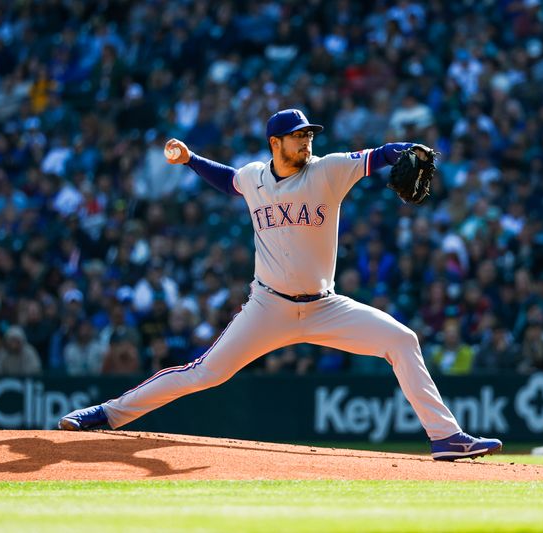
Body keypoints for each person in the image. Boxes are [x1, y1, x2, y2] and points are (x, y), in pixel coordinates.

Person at [59, 108, 502, 461]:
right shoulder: (254, 176)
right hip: (267, 308)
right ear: (276, 142)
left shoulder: (328, 171)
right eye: (299, 136)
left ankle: (445, 438)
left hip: (326, 307)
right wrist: (191, 160)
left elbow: (379, 155)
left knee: (402, 340)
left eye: (310, 135)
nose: (307, 141)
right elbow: (227, 180)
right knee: (204, 373)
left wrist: (408, 149)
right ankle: (106, 414)